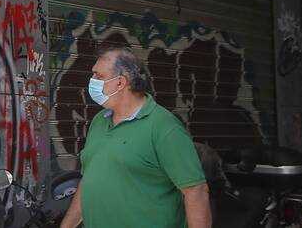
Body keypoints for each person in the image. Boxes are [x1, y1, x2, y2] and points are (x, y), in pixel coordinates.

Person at [60, 47, 212, 228]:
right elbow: (89, 181)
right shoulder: (100, 121)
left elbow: (195, 192)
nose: (92, 81)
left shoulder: (164, 127)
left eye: (98, 76)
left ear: (120, 82)